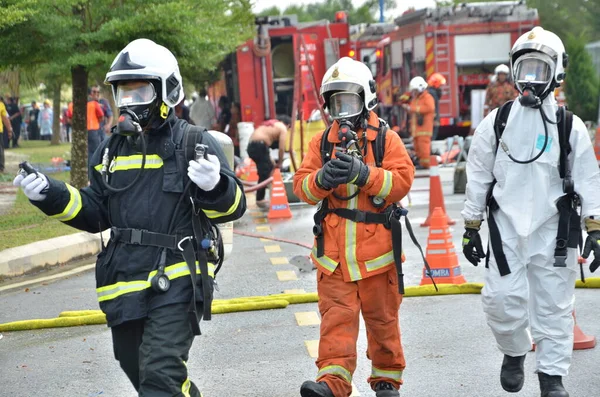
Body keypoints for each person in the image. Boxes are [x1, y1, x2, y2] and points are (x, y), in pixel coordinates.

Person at [13, 38, 246, 396]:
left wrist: (215, 186)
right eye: (124, 94)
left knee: (160, 375)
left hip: (177, 277)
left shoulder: (194, 143)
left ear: (167, 92)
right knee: (139, 369)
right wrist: (50, 194)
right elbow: (96, 211)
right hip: (124, 282)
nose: (129, 104)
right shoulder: (110, 151)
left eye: (139, 93)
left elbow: (233, 207)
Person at [462, 27, 600, 397]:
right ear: (514, 70)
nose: (530, 81)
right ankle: (513, 351)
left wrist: (596, 227)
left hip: (555, 230)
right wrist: (471, 225)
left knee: (555, 309)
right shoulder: (497, 121)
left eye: (539, 71)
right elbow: (477, 174)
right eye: (525, 70)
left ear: (556, 74)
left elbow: (589, 178)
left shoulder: (569, 127)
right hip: (506, 229)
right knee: (500, 301)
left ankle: (552, 379)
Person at [293, 57, 415, 397]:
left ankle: (386, 380)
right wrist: (321, 179)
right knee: (336, 322)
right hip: (334, 259)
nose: (342, 110)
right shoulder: (321, 143)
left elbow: (402, 181)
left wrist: (365, 175)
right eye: (335, 102)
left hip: (378, 259)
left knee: (383, 323)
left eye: (348, 101)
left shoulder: (385, 139)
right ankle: (332, 383)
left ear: (366, 99)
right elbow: (301, 187)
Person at [246, 116, 289, 208]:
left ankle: (269, 192)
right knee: (264, 172)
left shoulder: (273, 125)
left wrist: (272, 161)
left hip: (252, 146)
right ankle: (259, 199)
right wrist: (280, 163)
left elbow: (265, 146)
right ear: (288, 125)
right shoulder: (283, 128)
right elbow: (281, 148)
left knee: (269, 167)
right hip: (259, 145)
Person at [403, 76, 434, 169]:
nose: (414, 92)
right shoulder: (416, 99)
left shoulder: (427, 97)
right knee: (417, 147)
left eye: (415, 90)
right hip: (417, 129)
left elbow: (430, 108)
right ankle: (421, 162)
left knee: (423, 147)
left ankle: (425, 164)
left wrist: (412, 108)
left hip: (424, 129)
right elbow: (413, 109)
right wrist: (408, 108)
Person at [426, 72, 446, 141]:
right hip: (433, 120)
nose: (441, 87)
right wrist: (435, 119)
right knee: (432, 137)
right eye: (440, 85)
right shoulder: (432, 93)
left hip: (432, 119)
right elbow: (433, 107)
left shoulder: (431, 92)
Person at [0, 98, 13, 173]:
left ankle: (1, 168)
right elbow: (5, 119)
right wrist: (9, 130)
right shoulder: (1, 105)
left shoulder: (1, 105)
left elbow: (5, 119)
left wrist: (9, 130)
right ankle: (1, 168)